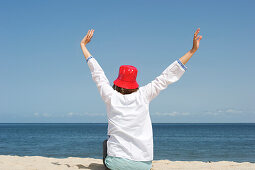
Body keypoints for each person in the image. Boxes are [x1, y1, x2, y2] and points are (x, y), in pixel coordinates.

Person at [80, 28, 202, 170]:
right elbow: (167, 76)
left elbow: (98, 74)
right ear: (134, 82)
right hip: (143, 165)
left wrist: (83, 45)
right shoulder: (144, 94)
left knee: (106, 143)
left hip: (115, 163)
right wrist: (192, 50)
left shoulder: (110, 96)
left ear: (117, 82)